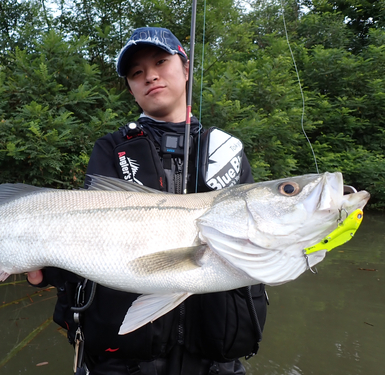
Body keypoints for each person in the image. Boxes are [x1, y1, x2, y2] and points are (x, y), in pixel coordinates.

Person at [28, 27, 267, 375]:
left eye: (160, 62)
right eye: (136, 73)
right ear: (130, 88)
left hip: (216, 359)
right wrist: (49, 269)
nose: (150, 75)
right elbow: (89, 234)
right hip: (122, 362)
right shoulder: (111, 148)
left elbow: (258, 238)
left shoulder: (226, 150)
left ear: (186, 69)